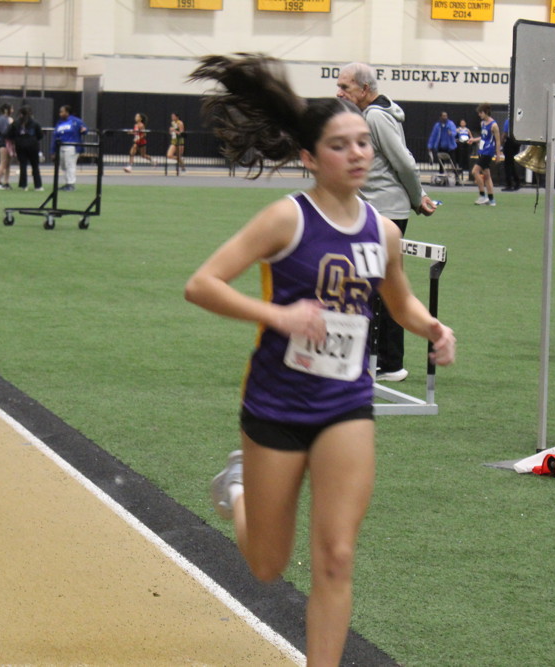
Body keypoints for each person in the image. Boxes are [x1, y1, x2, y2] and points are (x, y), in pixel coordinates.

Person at [185, 54, 455, 667]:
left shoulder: (384, 231)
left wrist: (432, 327)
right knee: (267, 564)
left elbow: (400, 301)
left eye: (363, 142)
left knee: (336, 557)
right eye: (340, 145)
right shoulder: (287, 218)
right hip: (277, 403)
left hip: (345, 404)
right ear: (310, 157)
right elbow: (202, 284)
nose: (357, 154)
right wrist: (278, 316)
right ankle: (238, 488)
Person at [336, 62, 438, 383]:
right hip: (380, 209)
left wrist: (417, 197)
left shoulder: (376, 117)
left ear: (364, 89)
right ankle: (381, 360)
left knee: (381, 288)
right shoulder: (372, 114)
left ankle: (389, 363)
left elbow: (404, 163)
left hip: (385, 211)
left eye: (345, 87)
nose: (339, 93)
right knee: (376, 286)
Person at [469, 103, 503, 206]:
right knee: (487, 175)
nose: (479, 115)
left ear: (486, 112)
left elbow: (498, 140)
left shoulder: (494, 125)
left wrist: (498, 154)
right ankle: (491, 200)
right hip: (482, 150)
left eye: (481, 112)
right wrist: (474, 140)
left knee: (475, 171)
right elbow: (483, 137)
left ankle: (482, 196)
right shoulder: (482, 123)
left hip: (488, 152)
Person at [52, 105, 86, 191]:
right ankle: (67, 182)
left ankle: (71, 184)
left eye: (62, 112)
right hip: (61, 145)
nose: (60, 114)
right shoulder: (60, 123)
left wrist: (84, 130)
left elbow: (84, 129)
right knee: (63, 165)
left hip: (71, 145)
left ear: (67, 112)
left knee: (70, 164)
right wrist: (53, 150)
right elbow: (55, 136)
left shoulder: (76, 121)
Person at [12, 104, 43, 191]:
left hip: (20, 146)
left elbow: (9, 133)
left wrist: (17, 139)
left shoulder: (16, 123)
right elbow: (40, 135)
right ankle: (38, 186)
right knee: (35, 166)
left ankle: (23, 185)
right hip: (33, 146)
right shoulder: (35, 123)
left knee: (23, 165)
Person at [426, 111, 456, 176]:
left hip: (450, 147)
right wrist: (430, 146)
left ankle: (456, 175)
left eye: (446, 116)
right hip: (441, 147)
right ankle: (441, 174)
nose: (445, 117)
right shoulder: (437, 126)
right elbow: (433, 136)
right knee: (441, 162)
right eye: (444, 116)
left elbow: (454, 131)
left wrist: (451, 133)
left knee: (453, 162)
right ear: (440, 117)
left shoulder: (450, 124)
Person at [0, 103, 13, 190]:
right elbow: (4, 131)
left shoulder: (6, 119)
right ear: (6, 110)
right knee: (3, 163)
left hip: (7, 142)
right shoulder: (3, 119)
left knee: (7, 164)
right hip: (3, 142)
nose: (12, 111)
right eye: (11, 109)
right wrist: (11, 125)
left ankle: (6, 182)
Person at [500, 117, 521, 191]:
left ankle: (509, 184)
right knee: (511, 163)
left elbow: (505, 133)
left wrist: (500, 144)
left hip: (509, 142)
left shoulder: (508, 121)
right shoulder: (518, 121)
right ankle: (517, 182)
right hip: (517, 142)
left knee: (507, 164)